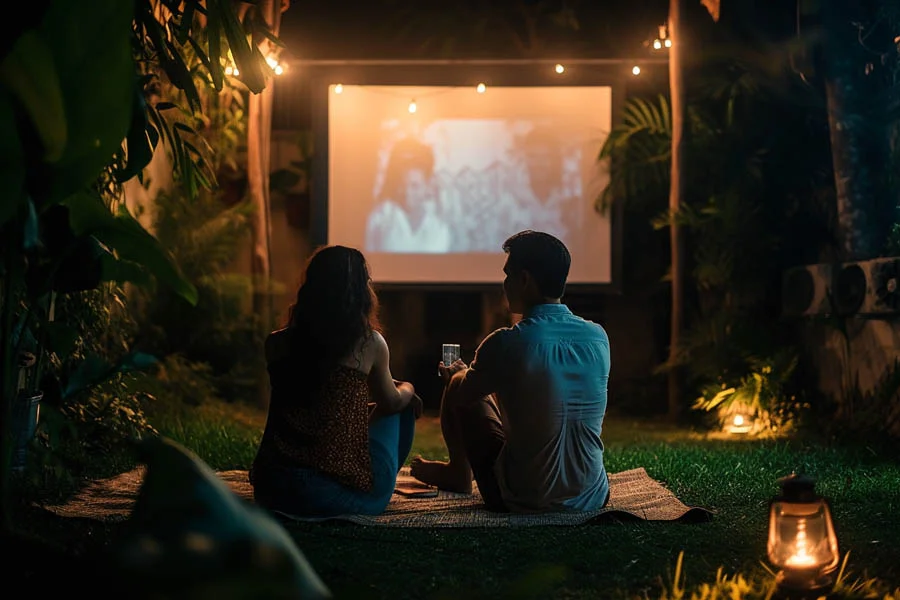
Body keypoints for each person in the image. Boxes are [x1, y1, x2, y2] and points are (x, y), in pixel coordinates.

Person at [410, 230, 611, 513]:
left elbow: (466, 395)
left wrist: (458, 374)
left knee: (457, 383)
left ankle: (458, 473)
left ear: (524, 280)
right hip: (592, 496)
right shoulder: (598, 337)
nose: (504, 284)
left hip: (523, 498)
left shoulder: (507, 342)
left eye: (508, 275)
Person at [249, 245, 423, 517]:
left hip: (272, 491)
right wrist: (408, 389)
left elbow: (318, 403)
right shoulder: (369, 343)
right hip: (331, 498)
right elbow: (390, 402)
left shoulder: (276, 343)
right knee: (402, 407)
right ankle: (378, 488)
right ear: (360, 292)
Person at [365, 136, 452, 253]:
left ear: (427, 186)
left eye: (415, 186)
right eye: (403, 185)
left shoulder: (439, 228)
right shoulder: (381, 217)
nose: (408, 193)